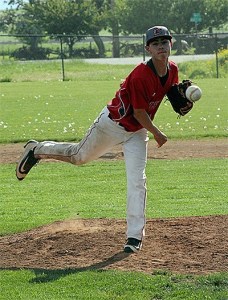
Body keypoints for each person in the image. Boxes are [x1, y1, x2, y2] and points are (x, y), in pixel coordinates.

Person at [16, 26, 193, 253]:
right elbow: (139, 112)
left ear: (171, 44)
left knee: (138, 180)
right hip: (112, 124)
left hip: (137, 133)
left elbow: (168, 91)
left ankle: (134, 237)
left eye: (164, 42)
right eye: (155, 43)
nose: (161, 46)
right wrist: (158, 133)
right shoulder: (140, 75)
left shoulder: (173, 69)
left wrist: (184, 100)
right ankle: (37, 149)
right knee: (78, 157)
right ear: (147, 48)